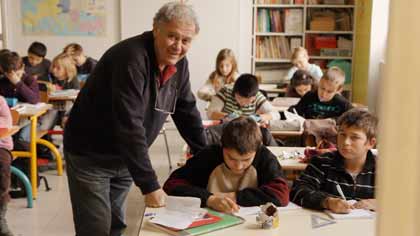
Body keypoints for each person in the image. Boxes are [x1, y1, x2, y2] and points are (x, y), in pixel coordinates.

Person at [63, 2, 207, 235]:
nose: (178, 46)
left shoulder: (179, 64)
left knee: (116, 225)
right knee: (96, 228)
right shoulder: (131, 58)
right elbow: (129, 125)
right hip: (90, 156)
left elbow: (186, 110)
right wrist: (150, 184)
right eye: (172, 36)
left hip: (124, 159)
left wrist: (207, 157)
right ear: (156, 29)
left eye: (186, 40)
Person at [164, 117, 289, 213]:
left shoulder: (264, 156)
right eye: (231, 158)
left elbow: (281, 194)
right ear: (222, 147)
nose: (238, 166)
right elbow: (172, 184)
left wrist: (233, 197)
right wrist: (209, 199)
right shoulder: (209, 155)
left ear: (256, 150)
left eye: (246, 160)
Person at [290, 108, 378, 213]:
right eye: (342, 135)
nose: (346, 142)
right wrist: (327, 202)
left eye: (354, 137)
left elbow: (401, 198)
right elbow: (297, 191)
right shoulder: (322, 162)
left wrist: (382, 203)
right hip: (327, 227)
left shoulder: (383, 169)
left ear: (371, 143)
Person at [207, 73, 280, 123]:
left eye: (247, 101)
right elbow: (210, 113)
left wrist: (258, 118)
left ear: (253, 97)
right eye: (239, 98)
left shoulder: (257, 96)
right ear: (234, 91)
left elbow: (276, 114)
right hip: (225, 129)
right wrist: (230, 117)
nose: (242, 103)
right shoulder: (225, 92)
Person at [0, 96, 14, 236]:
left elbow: (5, 125)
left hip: (1, 146)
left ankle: (0, 218)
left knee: (2, 170)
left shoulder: (0, 101)